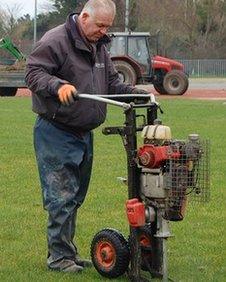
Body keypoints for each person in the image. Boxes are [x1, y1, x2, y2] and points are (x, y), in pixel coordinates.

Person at [25, 0, 149, 274]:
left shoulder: (98, 45)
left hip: (83, 132)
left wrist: (136, 92)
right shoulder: (56, 40)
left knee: (75, 196)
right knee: (61, 197)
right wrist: (57, 85)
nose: (104, 31)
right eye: (100, 25)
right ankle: (58, 258)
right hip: (56, 131)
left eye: (108, 26)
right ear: (84, 17)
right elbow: (33, 73)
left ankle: (67, 252)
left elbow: (111, 84)